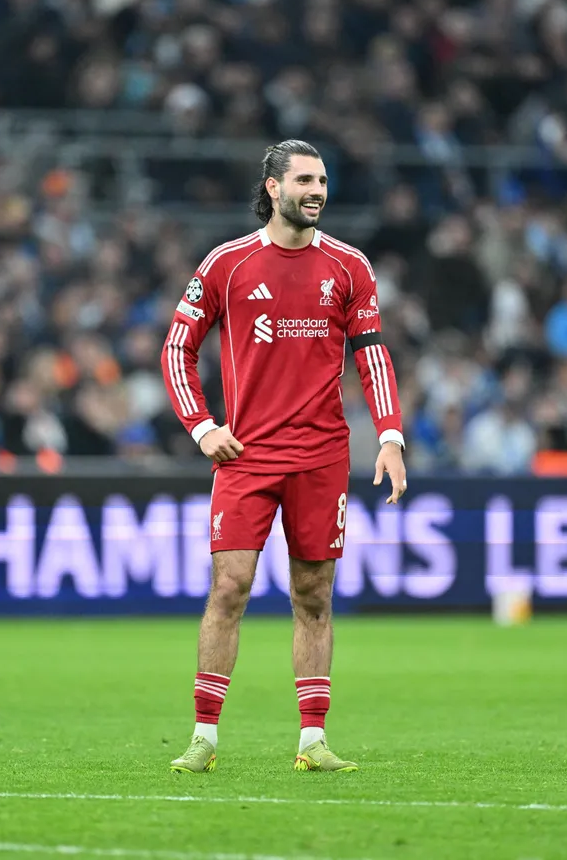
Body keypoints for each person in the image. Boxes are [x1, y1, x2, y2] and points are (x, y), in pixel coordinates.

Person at [160, 140, 408, 773]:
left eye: (323, 180)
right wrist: (201, 427)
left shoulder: (350, 268)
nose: (317, 190)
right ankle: (204, 738)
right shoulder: (228, 264)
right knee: (230, 586)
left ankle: (312, 741)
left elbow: (373, 356)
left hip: (322, 457)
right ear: (273, 187)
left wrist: (390, 436)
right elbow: (175, 350)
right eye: (304, 180)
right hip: (246, 455)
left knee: (314, 594)